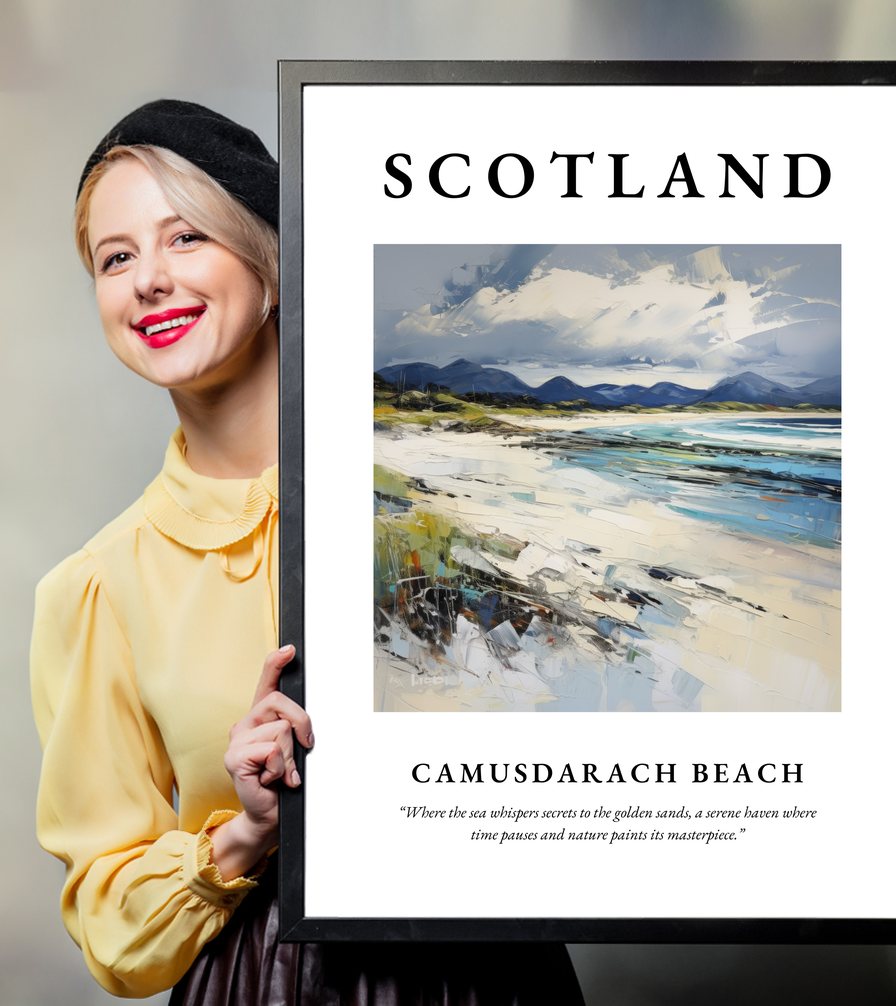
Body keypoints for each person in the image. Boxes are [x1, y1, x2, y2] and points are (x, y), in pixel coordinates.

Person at [30, 100, 585, 1004]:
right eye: (116, 257)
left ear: (273, 264)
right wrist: (245, 832)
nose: (148, 281)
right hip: (263, 981)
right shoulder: (97, 587)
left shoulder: (450, 504)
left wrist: (889, 707)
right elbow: (110, 923)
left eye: (186, 239)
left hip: (493, 973)